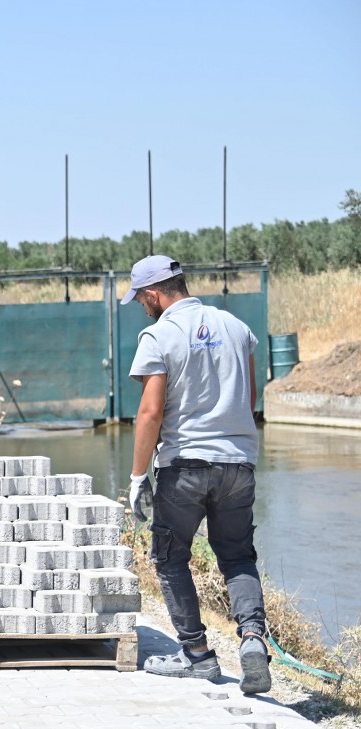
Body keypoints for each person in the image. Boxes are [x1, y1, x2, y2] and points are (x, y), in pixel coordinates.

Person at [123, 253, 271, 695]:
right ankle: (253, 639)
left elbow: (150, 412)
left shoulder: (158, 334)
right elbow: (249, 397)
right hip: (238, 465)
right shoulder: (235, 327)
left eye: (140, 299)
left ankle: (198, 656)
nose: (141, 307)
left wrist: (136, 478)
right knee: (239, 557)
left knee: (169, 558)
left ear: (153, 293)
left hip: (184, 466)